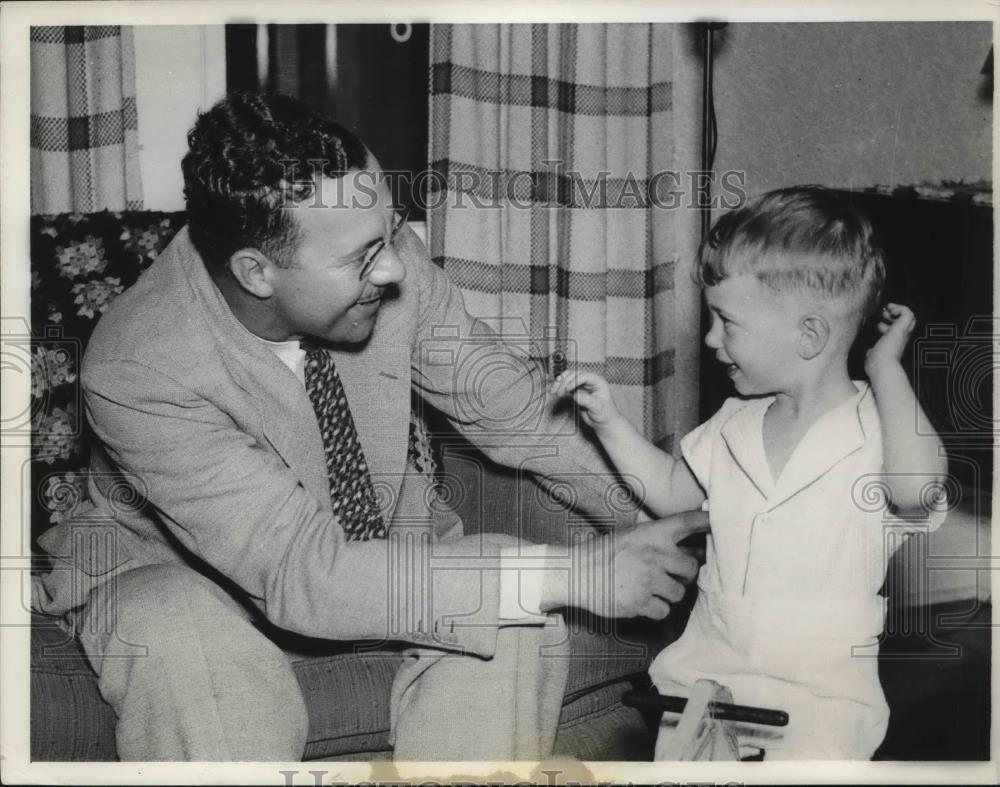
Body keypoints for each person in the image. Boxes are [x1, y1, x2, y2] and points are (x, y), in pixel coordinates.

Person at [30, 92, 704, 761]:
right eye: (362, 257)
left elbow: (519, 412)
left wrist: (684, 524)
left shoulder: (386, 256)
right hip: (180, 576)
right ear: (256, 273)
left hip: (385, 541)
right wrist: (576, 573)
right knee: (186, 639)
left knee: (513, 605)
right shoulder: (140, 364)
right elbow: (304, 573)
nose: (392, 265)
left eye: (390, 231)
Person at [552, 186, 948, 760]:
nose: (711, 339)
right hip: (706, 685)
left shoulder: (878, 432)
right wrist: (609, 423)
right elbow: (670, 493)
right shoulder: (735, 420)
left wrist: (884, 366)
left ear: (808, 335)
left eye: (727, 321)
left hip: (819, 707)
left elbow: (916, 490)